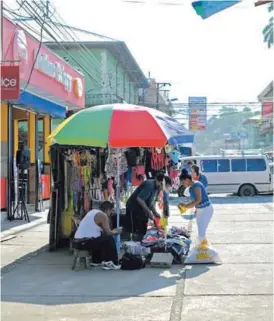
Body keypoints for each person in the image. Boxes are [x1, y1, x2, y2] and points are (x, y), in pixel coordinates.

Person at [73, 201, 122, 270]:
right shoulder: (103, 215)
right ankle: (112, 262)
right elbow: (108, 232)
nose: (111, 214)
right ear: (108, 210)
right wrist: (117, 231)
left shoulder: (92, 212)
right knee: (109, 239)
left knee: (99, 237)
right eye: (111, 211)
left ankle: (97, 260)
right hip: (84, 242)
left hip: (77, 242)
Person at [125, 172, 172, 239]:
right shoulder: (150, 185)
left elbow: (150, 203)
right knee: (134, 231)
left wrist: (155, 212)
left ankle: (140, 241)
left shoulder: (157, 189)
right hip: (133, 208)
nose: (163, 189)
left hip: (141, 210)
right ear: (161, 182)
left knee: (142, 230)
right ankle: (133, 243)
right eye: (164, 186)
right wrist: (149, 213)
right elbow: (140, 199)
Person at [178, 172, 213, 243]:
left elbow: (198, 199)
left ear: (187, 179)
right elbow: (194, 201)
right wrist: (184, 205)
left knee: (201, 232)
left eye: (183, 182)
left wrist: (186, 206)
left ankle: (204, 250)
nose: (183, 185)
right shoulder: (190, 188)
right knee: (201, 231)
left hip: (206, 210)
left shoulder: (196, 185)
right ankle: (203, 247)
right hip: (200, 210)